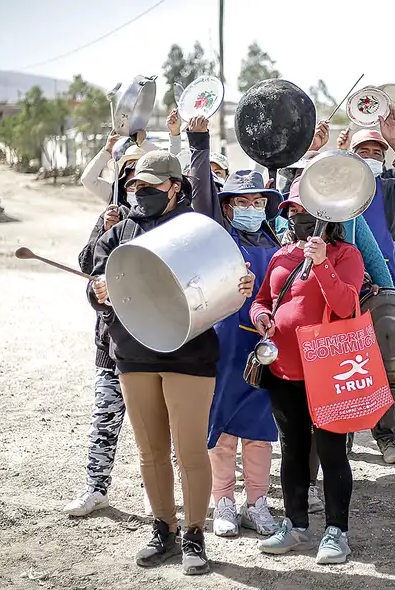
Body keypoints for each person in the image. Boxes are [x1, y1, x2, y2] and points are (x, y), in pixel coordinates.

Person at [87, 149, 255, 573]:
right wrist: (98, 294)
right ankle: (163, 529)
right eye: (135, 186)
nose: (140, 192)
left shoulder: (196, 229)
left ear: (175, 187)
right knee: (150, 452)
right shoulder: (120, 231)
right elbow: (96, 285)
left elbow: (228, 280)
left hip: (190, 357)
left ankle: (195, 536)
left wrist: (242, 284)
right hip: (133, 354)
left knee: (190, 451)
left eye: (150, 186)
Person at [249, 179, 365, 564]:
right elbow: (263, 299)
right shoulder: (282, 255)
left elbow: (347, 305)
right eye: (293, 212)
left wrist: (322, 264)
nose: (298, 219)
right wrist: (262, 316)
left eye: (306, 212)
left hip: (328, 369)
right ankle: (295, 525)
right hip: (283, 369)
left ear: (326, 217)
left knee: (331, 452)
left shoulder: (346, 255)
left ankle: (337, 532)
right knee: (292, 450)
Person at [183, 114, 283, 539]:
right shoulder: (219, 236)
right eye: (242, 202)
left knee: (261, 431)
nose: (252, 208)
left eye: (258, 201)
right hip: (223, 346)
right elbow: (201, 195)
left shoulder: (279, 244)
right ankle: (223, 501)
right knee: (220, 427)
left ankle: (256, 503)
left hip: (265, 347)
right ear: (227, 207)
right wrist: (199, 143)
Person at [334, 109, 395, 464]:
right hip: (341, 283)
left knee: (383, 358)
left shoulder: (390, 188)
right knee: (341, 358)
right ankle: (340, 440)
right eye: (364, 152)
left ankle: (387, 437)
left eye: (377, 152)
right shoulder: (337, 194)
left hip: (384, 284)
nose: (371, 157)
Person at [63, 198, 130, 517]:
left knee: (161, 428)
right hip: (110, 344)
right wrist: (104, 229)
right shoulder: (110, 216)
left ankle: (156, 492)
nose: (136, 186)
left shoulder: (165, 220)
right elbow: (86, 265)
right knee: (104, 421)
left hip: (155, 345)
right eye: (131, 179)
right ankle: (96, 488)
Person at [80, 130, 159, 204]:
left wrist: (143, 143)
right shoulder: (114, 192)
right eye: (130, 166)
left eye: (139, 166)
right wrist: (107, 150)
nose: (134, 170)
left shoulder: (158, 191)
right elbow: (87, 180)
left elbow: (168, 161)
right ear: (123, 170)